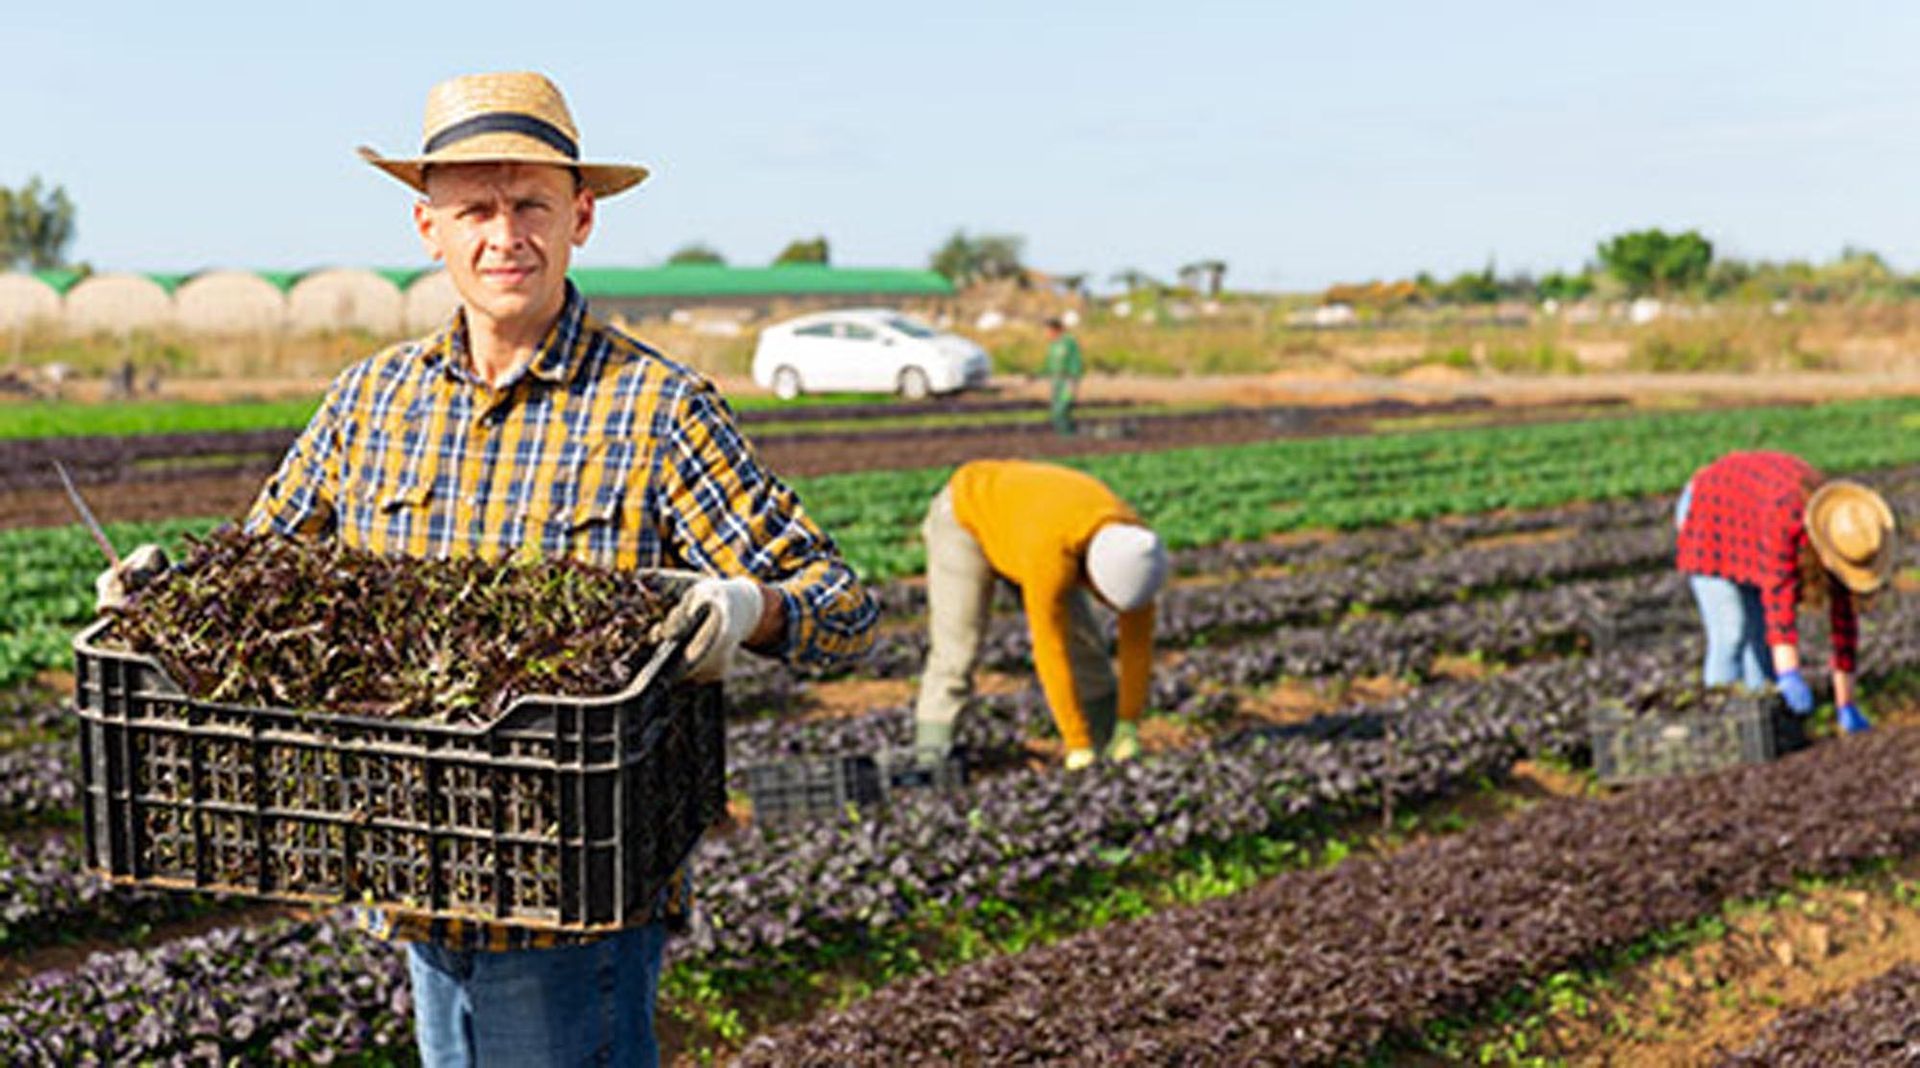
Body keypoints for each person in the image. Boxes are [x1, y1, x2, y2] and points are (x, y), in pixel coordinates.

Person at [94, 70, 878, 1066]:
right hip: (414, 877)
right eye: (474, 209)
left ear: (580, 218)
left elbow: (842, 607)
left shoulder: (657, 407)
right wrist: (164, 602)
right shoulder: (371, 402)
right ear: (429, 229)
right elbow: (260, 571)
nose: (503, 235)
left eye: (530, 205)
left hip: (575, 896)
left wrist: (747, 607)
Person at [913, 459, 1167, 770]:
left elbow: (1137, 646)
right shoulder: (1051, 558)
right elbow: (1050, 648)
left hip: (1029, 520)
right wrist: (1076, 744)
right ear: (1091, 575)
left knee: (1084, 643)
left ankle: (1107, 737)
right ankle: (931, 755)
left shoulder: (1138, 551)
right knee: (957, 650)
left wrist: (1128, 723)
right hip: (966, 516)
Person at [1674, 450, 1895, 734]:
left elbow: (1844, 625)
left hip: (1752, 524)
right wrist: (1789, 675)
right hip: (1711, 511)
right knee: (1731, 632)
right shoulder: (1789, 516)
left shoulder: (1843, 536)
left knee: (1761, 642)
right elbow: (1779, 600)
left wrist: (1846, 703)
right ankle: (1717, 732)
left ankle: (1759, 732)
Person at [1041, 317, 1083, 436]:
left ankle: (1068, 436)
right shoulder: (1052, 345)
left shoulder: (1069, 342)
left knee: (1063, 408)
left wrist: (1072, 381)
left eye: (1048, 330)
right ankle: (1061, 437)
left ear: (1056, 329)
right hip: (1056, 382)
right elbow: (1050, 364)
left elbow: (1075, 362)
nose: (1046, 334)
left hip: (1067, 382)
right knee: (1055, 410)